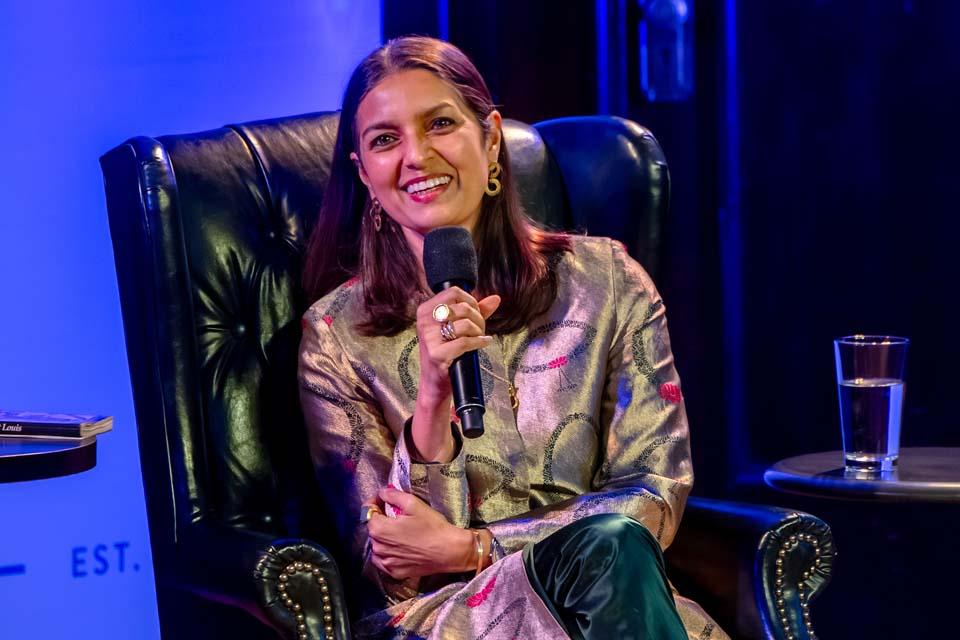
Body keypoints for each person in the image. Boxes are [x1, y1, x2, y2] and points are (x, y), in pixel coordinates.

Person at [298, 35, 726, 640]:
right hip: (450, 622)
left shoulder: (606, 281)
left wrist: (474, 546)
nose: (416, 155)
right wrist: (433, 397)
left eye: (440, 123)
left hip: (615, 593)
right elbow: (392, 562)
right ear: (363, 173)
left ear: (491, 138)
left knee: (611, 549)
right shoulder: (334, 334)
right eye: (385, 140)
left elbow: (653, 492)